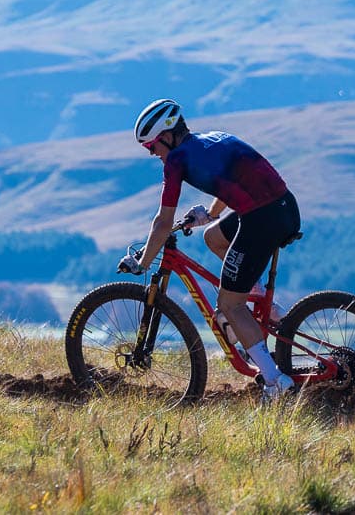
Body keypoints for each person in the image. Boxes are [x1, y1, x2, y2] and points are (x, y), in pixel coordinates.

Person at [119, 98, 300, 399]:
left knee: (230, 305)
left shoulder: (176, 161)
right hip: (284, 207)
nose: (152, 153)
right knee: (214, 236)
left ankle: (275, 381)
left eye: (151, 146)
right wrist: (211, 215)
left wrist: (142, 262)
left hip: (262, 219)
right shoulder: (214, 138)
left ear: (167, 136)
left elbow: (163, 223)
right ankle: (268, 307)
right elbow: (234, 180)